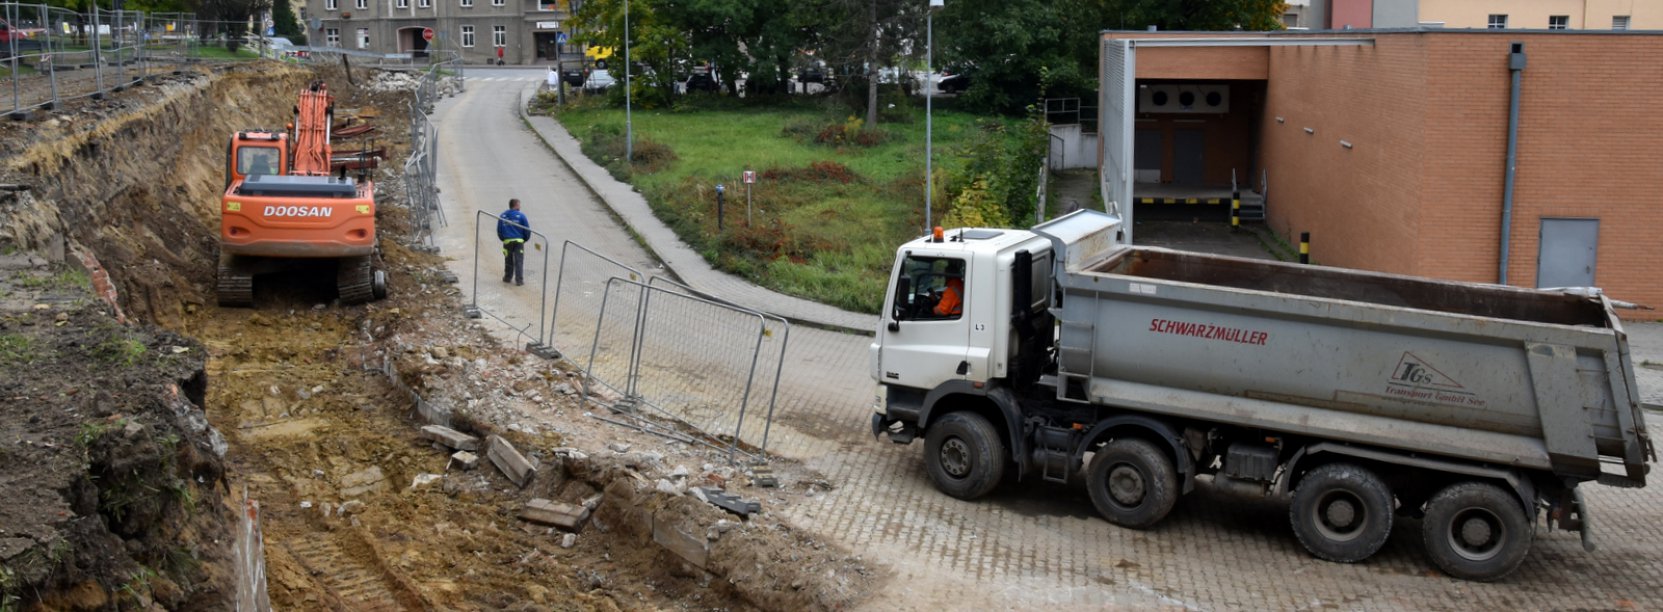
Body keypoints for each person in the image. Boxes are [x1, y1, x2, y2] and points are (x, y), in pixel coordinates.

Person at [497, 198, 530, 286]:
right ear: (515, 205)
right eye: (519, 204)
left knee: (508, 260)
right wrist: (525, 239)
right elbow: (527, 229)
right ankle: (519, 280)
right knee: (519, 261)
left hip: (507, 242)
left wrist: (503, 239)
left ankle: (507, 277)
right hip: (519, 242)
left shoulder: (503, 216)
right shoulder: (521, 216)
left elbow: (499, 230)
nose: (520, 206)